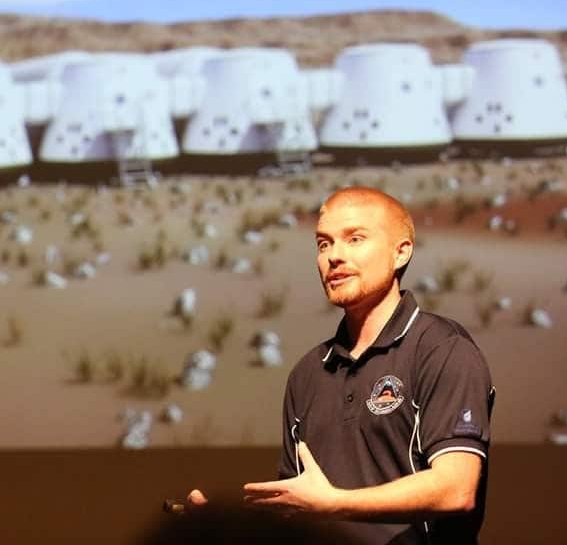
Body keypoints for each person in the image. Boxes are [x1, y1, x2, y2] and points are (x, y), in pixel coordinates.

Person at [187, 187, 494, 544]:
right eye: (323, 244)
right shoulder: (308, 373)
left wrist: (335, 504)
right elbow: (300, 518)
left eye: (355, 239)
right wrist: (225, 532)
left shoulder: (441, 349)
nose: (334, 256)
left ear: (401, 252)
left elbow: (457, 489)